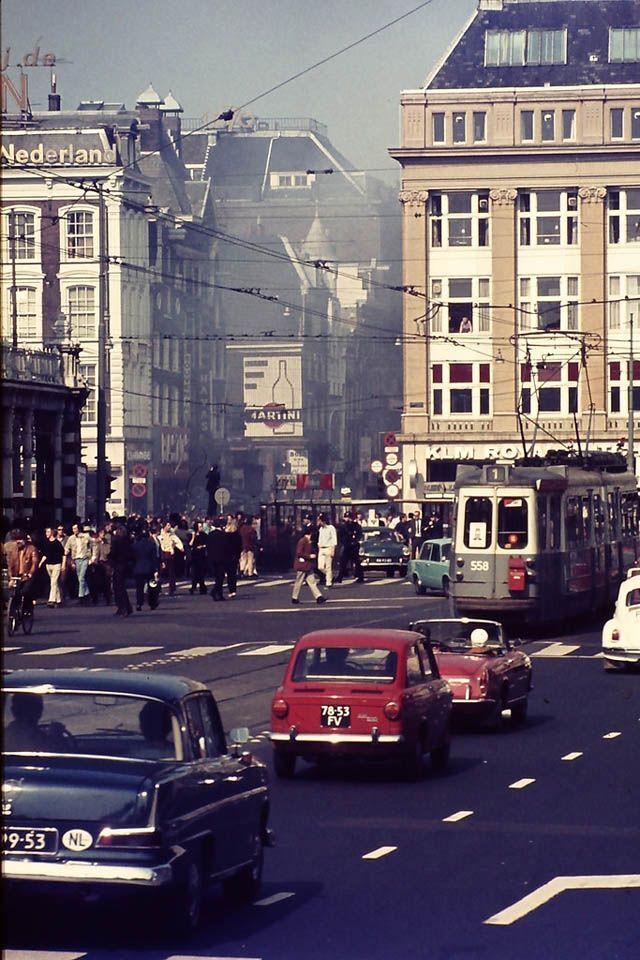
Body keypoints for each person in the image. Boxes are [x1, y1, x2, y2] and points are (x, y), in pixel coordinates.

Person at [6, 529, 39, 616]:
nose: (18, 541)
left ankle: (27, 608)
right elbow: (10, 565)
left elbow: (34, 563)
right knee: (14, 593)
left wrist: (30, 574)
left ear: (25, 540)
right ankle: (14, 611)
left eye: (20, 539)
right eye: (17, 539)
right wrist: (11, 578)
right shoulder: (14, 551)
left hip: (27, 575)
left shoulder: (32, 549)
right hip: (17, 576)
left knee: (25, 591)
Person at [291, 526, 326, 605]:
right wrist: (309, 556)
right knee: (299, 581)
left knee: (312, 581)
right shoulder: (302, 541)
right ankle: (294, 597)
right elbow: (299, 553)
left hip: (307, 565)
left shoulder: (306, 541)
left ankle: (319, 597)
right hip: (302, 565)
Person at [64, 522, 92, 604]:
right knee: (80, 577)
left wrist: (92, 556)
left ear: (79, 529)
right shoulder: (71, 538)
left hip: (84, 558)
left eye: (75, 528)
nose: (74, 530)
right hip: (76, 559)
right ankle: (87, 593)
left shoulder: (86, 536)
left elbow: (94, 544)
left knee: (81, 577)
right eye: (73, 529)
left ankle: (81, 596)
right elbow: (67, 547)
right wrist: (66, 551)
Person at [132, 529, 159, 611]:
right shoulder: (151, 545)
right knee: (151, 587)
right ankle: (152, 603)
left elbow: (133, 558)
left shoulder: (135, 546)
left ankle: (139, 603)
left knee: (139, 587)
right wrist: (156, 569)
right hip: (149, 567)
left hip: (138, 567)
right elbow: (154, 558)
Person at [109, 525, 133, 616]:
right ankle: (126, 607)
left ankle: (123, 607)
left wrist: (110, 557)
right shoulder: (127, 541)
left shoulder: (116, 541)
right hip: (125, 565)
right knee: (122, 586)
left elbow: (113, 553)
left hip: (118, 565)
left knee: (118, 587)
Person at [40, 526, 65, 607]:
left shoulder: (57, 543)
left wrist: (63, 564)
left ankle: (51, 600)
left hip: (56, 564)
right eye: (46, 532)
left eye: (48, 532)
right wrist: (40, 563)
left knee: (53, 582)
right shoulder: (46, 543)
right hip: (48, 565)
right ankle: (59, 600)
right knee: (54, 582)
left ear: (52, 533)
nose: (46, 534)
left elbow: (63, 554)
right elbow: (45, 555)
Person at [158, 520, 184, 596]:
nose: (169, 527)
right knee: (160, 573)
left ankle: (171, 589)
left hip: (170, 554)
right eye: (168, 525)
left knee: (171, 573)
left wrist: (180, 547)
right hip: (163, 554)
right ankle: (157, 589)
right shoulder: (160, 535)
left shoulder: (172, 535)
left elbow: (177, 541)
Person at [336, 514, 363, 583]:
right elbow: (340, 535)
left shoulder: (356, 525)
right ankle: (340, 577)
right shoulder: (343, 526)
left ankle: (360, 576)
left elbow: (359, 534)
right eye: (346, 517)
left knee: (356, 562)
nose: (348, 519)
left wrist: (355, 541)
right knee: (343, 562)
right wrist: (344, 542)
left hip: (354, 546)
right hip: (346, 546)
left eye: (349, 517)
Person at [89, 527, 112, 605]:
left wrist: (104, 544)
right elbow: (93, 552)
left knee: (107, 581)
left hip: (105, 563)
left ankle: (108, 599)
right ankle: (95, 598)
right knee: (97, 582)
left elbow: (108, 552)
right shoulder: (95, 542)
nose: (103, 535)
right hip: (97, 563)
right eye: (102, 533)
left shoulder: (107, 543)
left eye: (104, 533)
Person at [207, 518, 228, 601]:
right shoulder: (223, 535)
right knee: (220, 576)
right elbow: (226, 547)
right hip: (221, 557)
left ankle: (219, 593)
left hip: (212, 557)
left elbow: (208, 546)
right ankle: (216, 591)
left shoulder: (210, 534)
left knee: (217, 576)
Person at [317, 514, 337, 588]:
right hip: (321, 548)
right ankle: (330, 576)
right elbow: (320, 539)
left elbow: (334, 539)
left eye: (319, 520)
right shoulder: (321, 529)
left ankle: (328, 583)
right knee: (320, 567)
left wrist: (333, 549)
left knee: (328, 566)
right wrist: (319, 547)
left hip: (328, 548)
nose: (319, 522)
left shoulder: (331, 528)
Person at [189, 521, 209, 595]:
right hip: (194, 555)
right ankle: (201, 587)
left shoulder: (204, 535)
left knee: (201, 572)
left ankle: (195, 587)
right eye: (200, 526)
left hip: (202, 555)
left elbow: (208, 543)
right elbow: (190, 544)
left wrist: (203, 546)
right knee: (196, 572)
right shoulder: (192, 535)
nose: (201, 528)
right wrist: (193, 537)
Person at [224, 517, 242, 598]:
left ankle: (230, 589)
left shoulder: (226, 535)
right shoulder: (237, 535)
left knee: (228, 574)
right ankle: (233, 590)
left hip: (227, 555)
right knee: (233, 574)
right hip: (234, 556)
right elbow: (239, 547)